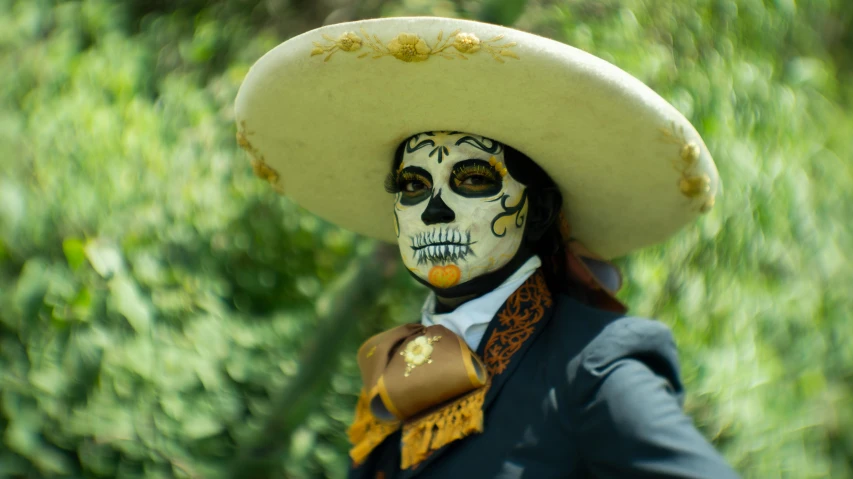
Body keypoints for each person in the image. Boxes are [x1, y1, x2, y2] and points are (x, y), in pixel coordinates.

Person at [234, 16, 738, 478]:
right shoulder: (398, 367)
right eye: (412, 184)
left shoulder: (593, 365)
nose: (433, 208)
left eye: (472, 178)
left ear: (537, 211)